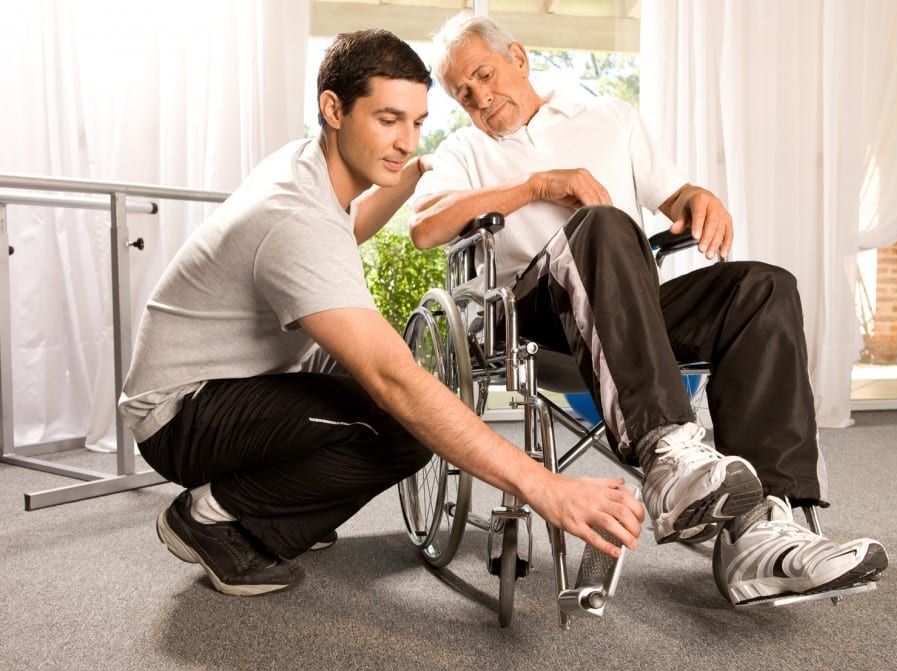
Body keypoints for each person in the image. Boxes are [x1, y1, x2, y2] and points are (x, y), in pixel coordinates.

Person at [118, 29, 644, 597]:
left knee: (395, 395)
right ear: (333, 108)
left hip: (240, 382)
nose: (404, 139)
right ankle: (212, 515)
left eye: (417, 122)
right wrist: (547, 488)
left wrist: (414, 172)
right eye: (388, 119)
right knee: (401, 426)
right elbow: (394, 378)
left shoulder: (307, 167)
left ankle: (275, 503)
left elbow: (352, 224)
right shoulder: (293, 219)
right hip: (181, 414)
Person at [410, 13, 888, 606]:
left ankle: (763, 530)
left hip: (629, 307)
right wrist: (536, 185)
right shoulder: (464, 150)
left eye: (484, 75)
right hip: (536, 319)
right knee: (603, 223)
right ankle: (669, 455)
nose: (480, 97)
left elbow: (674, 195)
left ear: (520, 58)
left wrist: (696, 197)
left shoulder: (610, 118)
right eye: (464, 93)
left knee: (762, 287)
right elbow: (425, 227)